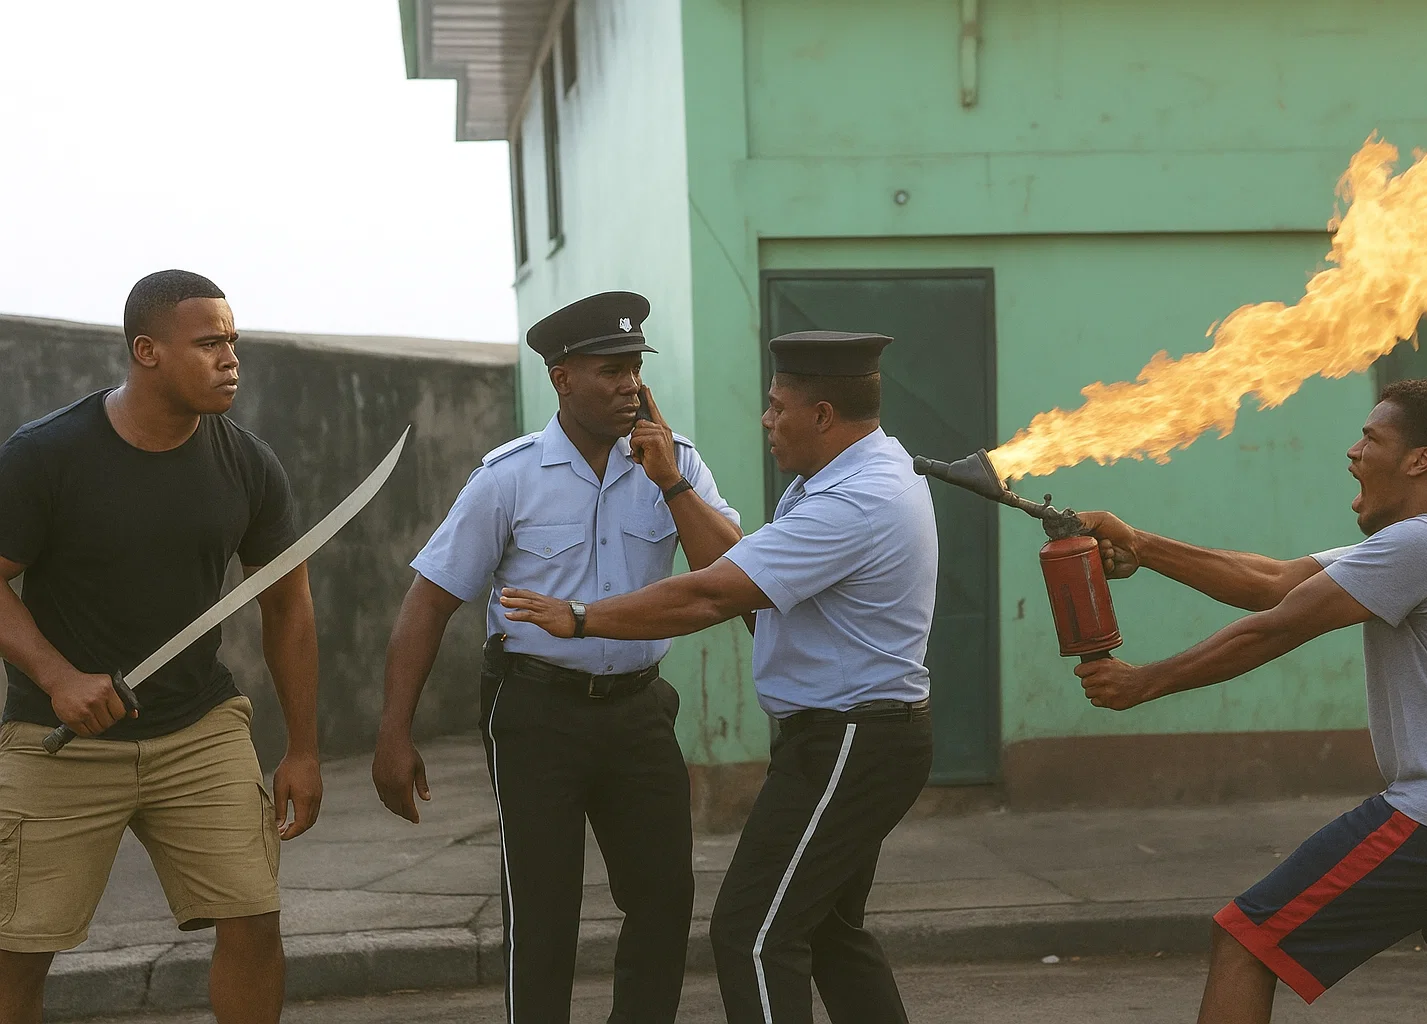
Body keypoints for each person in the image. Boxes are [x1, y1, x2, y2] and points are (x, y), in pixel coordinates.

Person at [503, 330, 939, 1024]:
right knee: (827, 931)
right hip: (850, 737)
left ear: (821, 415)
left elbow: (710, 595)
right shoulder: (836, 481)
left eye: (775, 407)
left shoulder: (857, 500)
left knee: (754, 937)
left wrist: (581, 617)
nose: (764, 420)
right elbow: (735, 573)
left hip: (852, 740)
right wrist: (673, 480)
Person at [1074, 379, 1427, 1024]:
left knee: (1245, 942)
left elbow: (1278, 625)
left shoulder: (1422, 544)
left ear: (1419, 460)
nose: (1353, 451)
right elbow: (1272, 582)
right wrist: (1140, 543)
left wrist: (1143, 682)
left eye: (1372, 438)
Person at [372, 291, 743, 1023]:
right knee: (543, 913)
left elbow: (732, 578)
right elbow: (430, 601)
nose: (629, 384)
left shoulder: (677, 465)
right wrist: (393, 734)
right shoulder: (508, 478)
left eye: (635, 367)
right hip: (536, 713)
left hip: (639, 709)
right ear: (562, 378)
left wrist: (670, 481)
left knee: (664, 900)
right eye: (610, 369)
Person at [0, 270, 323, 1024]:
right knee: (17, 944)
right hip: (62, 737)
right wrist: (56, 676)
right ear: (146, 351)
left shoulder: (247, 463)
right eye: (209, 343)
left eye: (233, 342)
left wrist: (303, 748)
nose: (231, 359)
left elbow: (288, 605)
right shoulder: (47, 454)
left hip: (199, 728)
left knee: (252, 919)